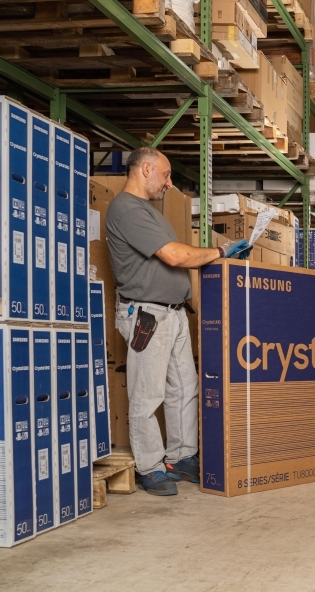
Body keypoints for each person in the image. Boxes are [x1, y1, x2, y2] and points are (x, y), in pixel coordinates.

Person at [106, 147, 248, 496]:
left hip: (172, 311)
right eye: (166, 175)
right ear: (146, 169)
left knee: (184, 387)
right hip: (148, 315)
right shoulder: (126, 209)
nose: (169, 183)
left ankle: (181, 456)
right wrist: (220, 252)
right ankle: (150, 466)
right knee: (147, 394)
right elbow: (173, 255)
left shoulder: (149, 211)